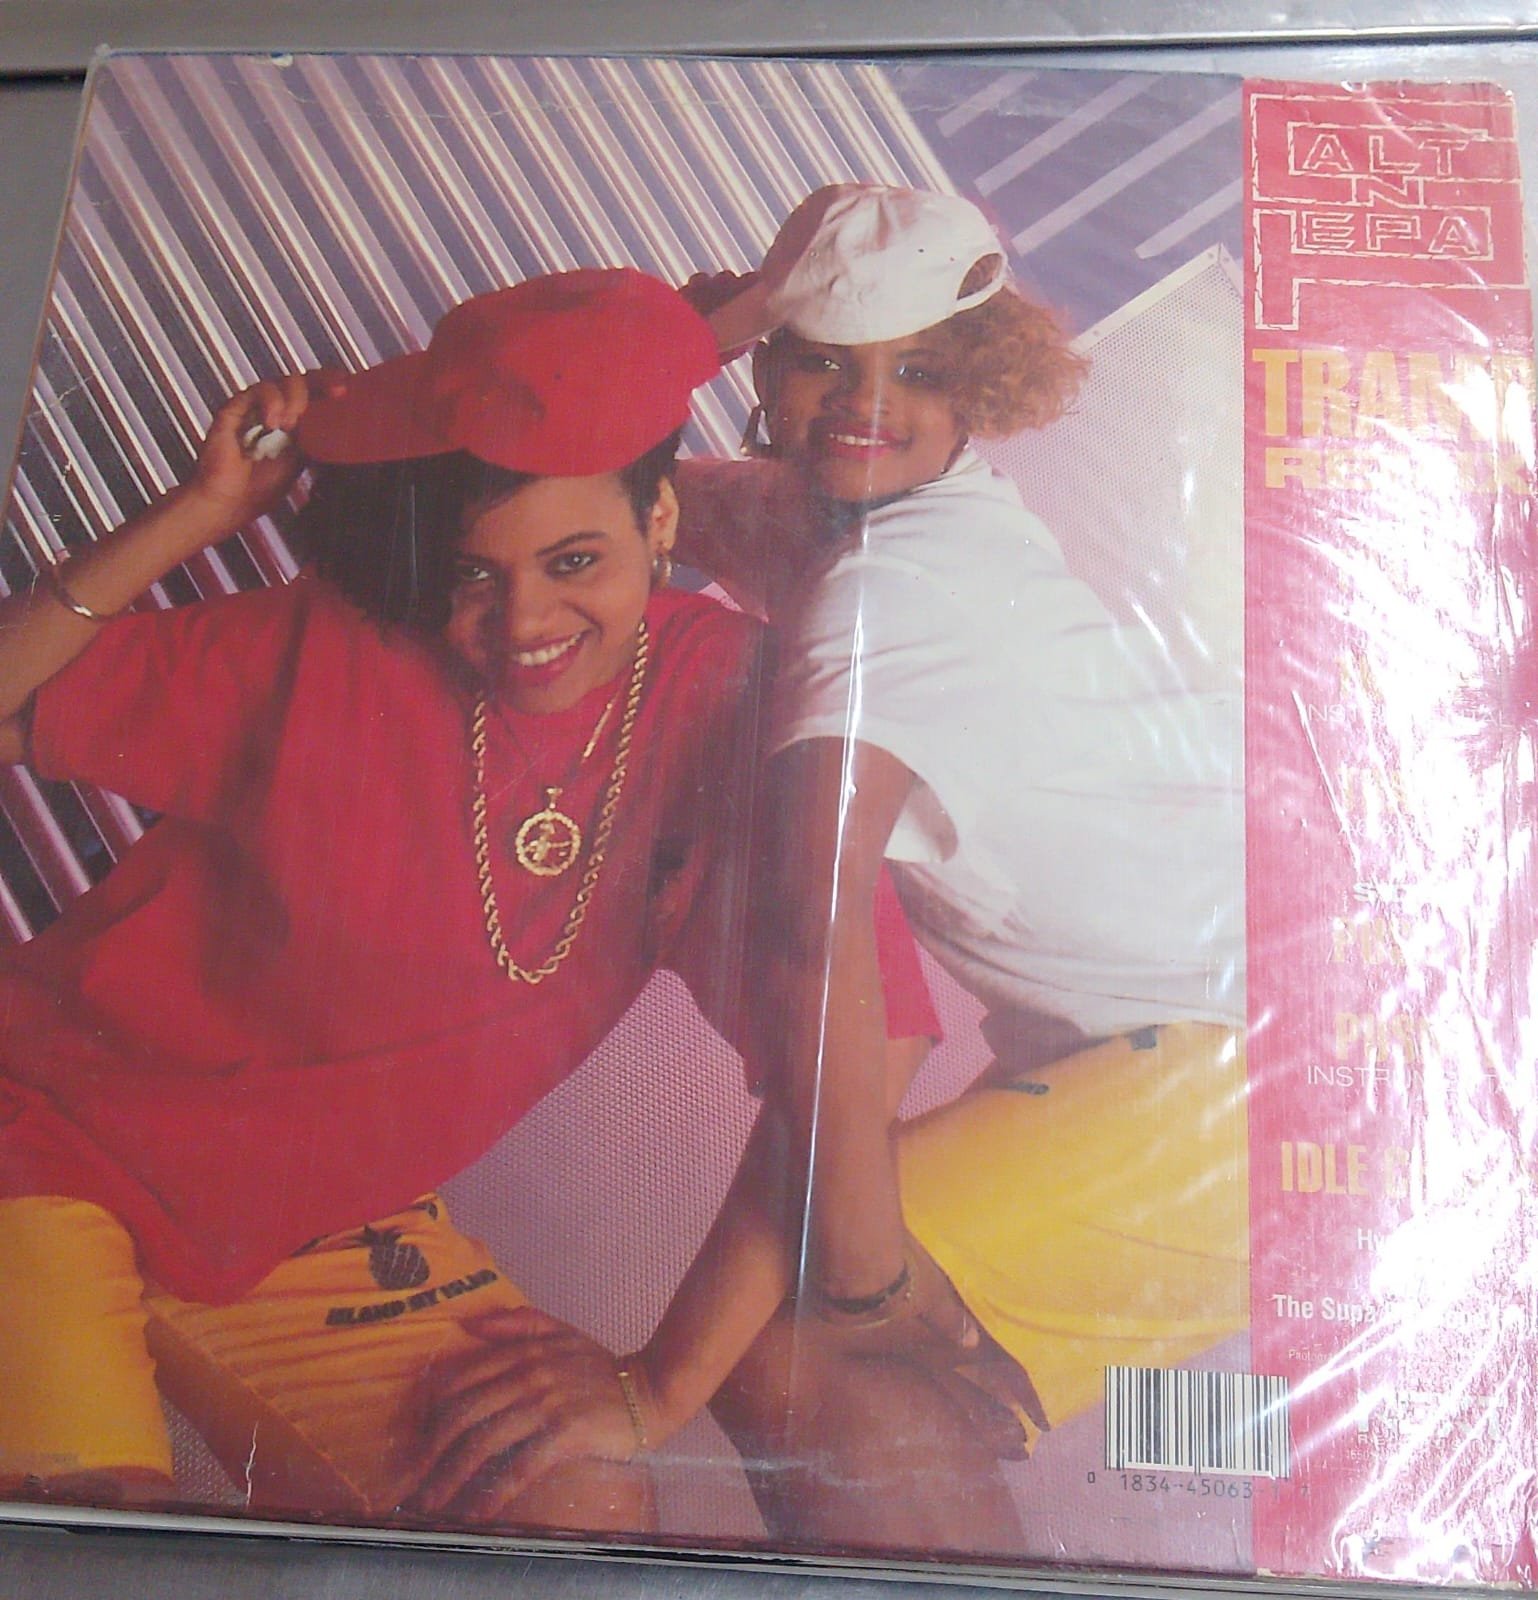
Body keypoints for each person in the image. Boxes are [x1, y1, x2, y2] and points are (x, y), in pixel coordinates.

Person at [0, 265, 938, 1535]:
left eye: (573, 560)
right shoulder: (332, 644)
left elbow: (865, 1053)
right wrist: (195, 514)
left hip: (317, 1222)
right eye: (473, 575)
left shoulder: (731, 700)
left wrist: (659, 1386)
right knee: (88, 1539)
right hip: (48, 1141)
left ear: (660, 517)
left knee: (573, 1507)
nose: (524, 620)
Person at [675, 184, 1249, 1552]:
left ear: (978, 384)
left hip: (1228, 1072)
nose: (864, 405)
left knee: (790, 1339)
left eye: (919, 369)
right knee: (827, 1365)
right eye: (824, 359)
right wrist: (704, 328)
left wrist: (868, 1274)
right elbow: (597, 472)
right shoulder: (825, 515)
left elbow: (810, 926)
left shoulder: (896, 589)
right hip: (1176, 1054)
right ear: (766, 365)